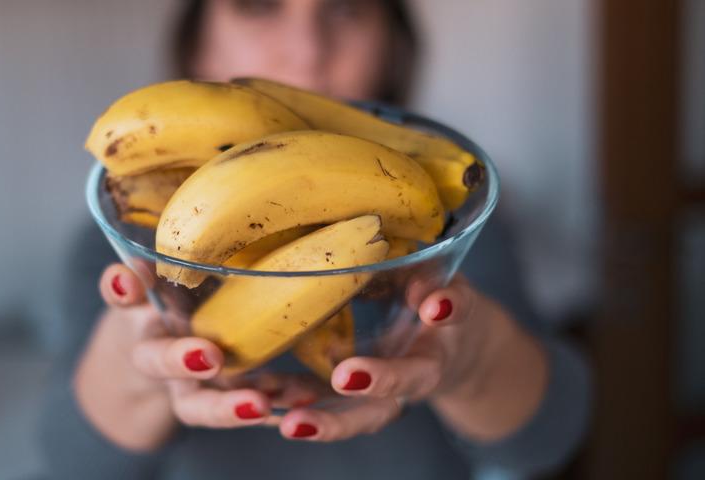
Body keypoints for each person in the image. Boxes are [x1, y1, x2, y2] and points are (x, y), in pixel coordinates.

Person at [39, 0, 591, 478]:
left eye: (346, 9)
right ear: (198, 43)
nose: (307, 51)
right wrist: (132, 372)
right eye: (258, 6)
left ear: (393, 45)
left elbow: (547, 440)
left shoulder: (450, 219)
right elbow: (70, 465)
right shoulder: (126, 238)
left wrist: (473, 360)